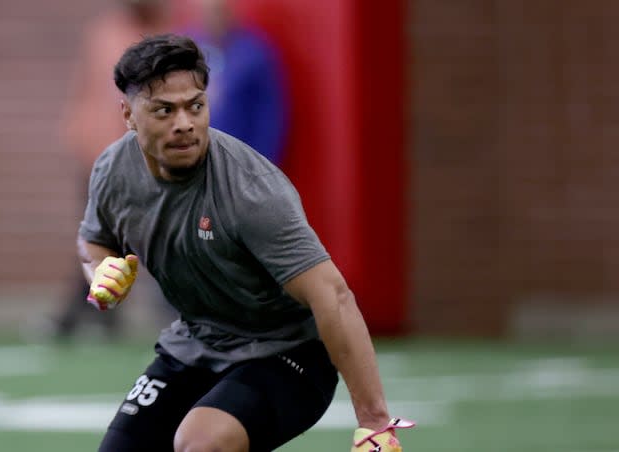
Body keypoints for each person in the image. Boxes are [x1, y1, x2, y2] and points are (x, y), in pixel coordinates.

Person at [79, 34, 413, 451]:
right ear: (128, 114)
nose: (184, 122)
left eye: (195, 106)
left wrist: (375, 423)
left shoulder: (250, 189)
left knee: (201, 443)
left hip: (288, 352)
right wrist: (101, 270)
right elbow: (94, 239)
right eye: (164, 110)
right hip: (197, 343)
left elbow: (334, 296)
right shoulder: (113, 170)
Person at [49, 0, 174, 341]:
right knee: (99, 235)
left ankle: (86, 312)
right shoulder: (104, 31)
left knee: (139, 234)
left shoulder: (168, 35)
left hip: (140, 156)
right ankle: (89, 311)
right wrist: (76, 130)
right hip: (97, 151)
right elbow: (87, 87)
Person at [184, 0, 288, 165]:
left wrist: (261, 166)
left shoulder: (254, 53)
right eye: (207, 11)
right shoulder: (186, 48)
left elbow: (270, 117)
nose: (212, 18)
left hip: (239, 163)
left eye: (218, 10)